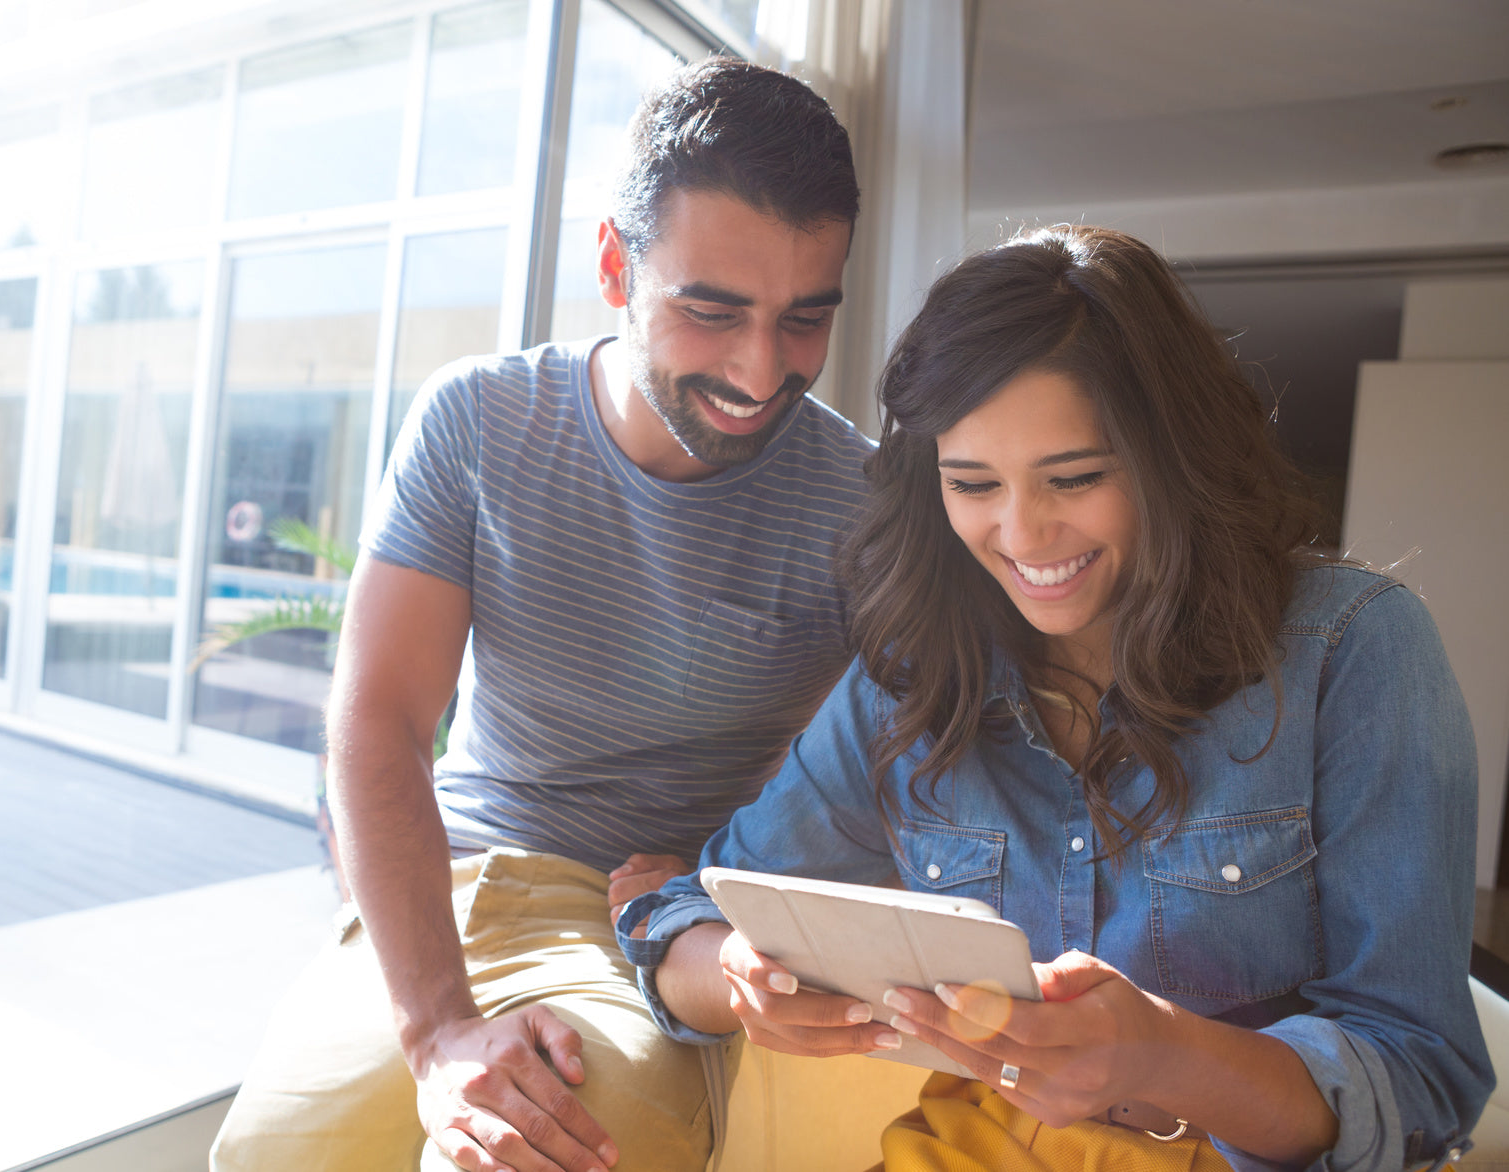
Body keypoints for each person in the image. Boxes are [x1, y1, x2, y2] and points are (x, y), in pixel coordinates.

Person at [623, 224, 1494, 1172]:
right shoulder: (917, 674)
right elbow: (685, 916)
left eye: (1073, 477)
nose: (1023, 533)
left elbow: (1421, 1083)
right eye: (973, 484)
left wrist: (1166, 1055)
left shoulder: (1356, 651)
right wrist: (739, 978)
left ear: (1173, 457)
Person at [210, 58, 873, 1172]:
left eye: (803, 319)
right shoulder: (478, 420)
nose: (761, 371)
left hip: (643, 926)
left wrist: (724, 900)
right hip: (455, 882)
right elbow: (377, 722)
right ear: (614, 263)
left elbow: (900, 765)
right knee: (271, 1153)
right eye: (711, 312)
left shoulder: (860, 499)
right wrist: (435, 1034)